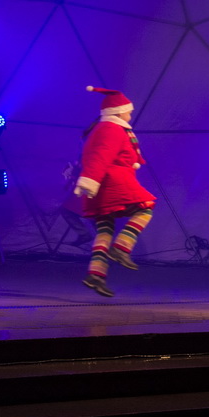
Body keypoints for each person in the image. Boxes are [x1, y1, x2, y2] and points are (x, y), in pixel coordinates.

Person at [75, 86, 156, 297]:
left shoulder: (104, 129)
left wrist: (91, 182)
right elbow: (100, 156)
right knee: (146, 208)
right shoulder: (111, 129)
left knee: (105, 229)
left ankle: (96, 274)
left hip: (101, 185)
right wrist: (90, 180)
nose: (130, 115)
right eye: (128, 111)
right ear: (118, 112)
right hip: (113, 183)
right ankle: (121, 247)